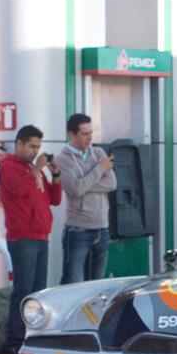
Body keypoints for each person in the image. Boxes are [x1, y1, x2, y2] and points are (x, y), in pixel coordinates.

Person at [0, 124, 62, 354]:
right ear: (19, 144)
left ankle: (34, 337)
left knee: (38, 292)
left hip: (40, 236)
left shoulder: (34, 169)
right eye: (32, 146)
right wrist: (36, 169)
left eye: (38, 147)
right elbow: (17, 190)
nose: (35, 151)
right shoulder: (8, 167)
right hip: (22, 237)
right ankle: (15, 340)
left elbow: (54, 199)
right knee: (23, 291)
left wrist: (55, 174)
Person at [58, 113, 117, 284]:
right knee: (73, 281)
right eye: (85, 134)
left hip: (102, 227)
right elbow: (75, 189)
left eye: (91, 133)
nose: (89, 137)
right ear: (72, 134)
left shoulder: (98, 152)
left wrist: (85, 184)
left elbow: (112, 183)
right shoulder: (63, 159)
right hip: (78, 230)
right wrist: (99, 169)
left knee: (97, 283)